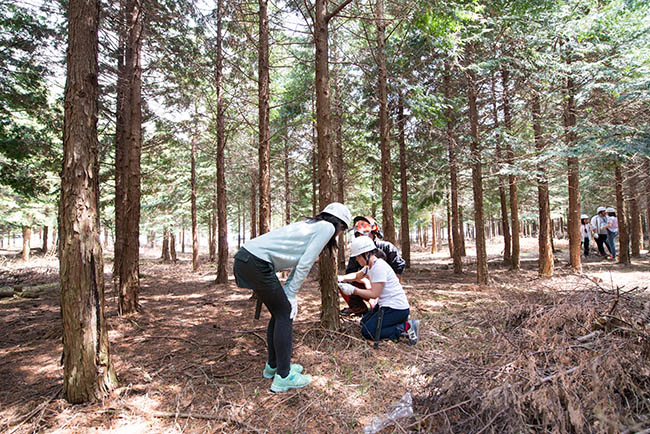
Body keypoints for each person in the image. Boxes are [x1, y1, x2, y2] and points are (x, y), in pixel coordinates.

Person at [233, 202, 351, 393]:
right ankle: (284, 376)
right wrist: (292, 294)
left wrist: (289, 291)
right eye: (342, 230)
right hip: (256, 262)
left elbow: (300, 261)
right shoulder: (327, 227)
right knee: (284, 313)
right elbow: (305, 263)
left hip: (247, 259)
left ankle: (274, 366)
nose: (339, 234)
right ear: (339, 225)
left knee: (279, 313)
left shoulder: (313, 226)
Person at [338, 236, 419, 345]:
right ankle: (398, 322)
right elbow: (357, 275)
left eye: (357, 257)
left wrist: (353, 290)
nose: (356, 260)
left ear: (366, 254)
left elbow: (374, 294)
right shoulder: (370, 265)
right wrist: (341, 278)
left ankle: (405, 327)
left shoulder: (378, 268)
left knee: (368, 332)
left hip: (395, 308)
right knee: (363, 323)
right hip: (386, 305)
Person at [339, 216, 406, 316]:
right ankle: (358, 307)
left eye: (365, 235)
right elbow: (354, 274)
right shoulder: (359, 252)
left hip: (384, 289)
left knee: (376, 319)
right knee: (345, 285)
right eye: (359, 235)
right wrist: (366, 282)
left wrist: (377, 290)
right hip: (368, 286)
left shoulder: (387, 248)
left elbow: (398, 270)